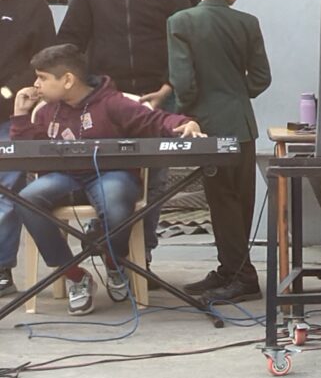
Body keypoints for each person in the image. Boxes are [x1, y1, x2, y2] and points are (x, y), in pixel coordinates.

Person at [7, 42, 204, 314]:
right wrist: (20, 115)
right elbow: (26, 153)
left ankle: (114, 262)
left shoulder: (113, 103)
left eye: (42, 77)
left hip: (111, 175)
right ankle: (75, 275)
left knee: (114, 197)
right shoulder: (45, 110)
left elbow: (155, 120)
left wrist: (183, 123)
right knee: (27, 198)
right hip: (65, 178)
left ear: (67, 80)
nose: (35, 85)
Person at [164, 0, 271, 302]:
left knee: (220, 202)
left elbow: (183, 81)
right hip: (241, 123)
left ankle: (238, 274)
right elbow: (261, 78)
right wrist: (237, 92)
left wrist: (186, 113)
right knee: (239, 202)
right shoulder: (248, 22)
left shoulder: (181, 21)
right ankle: (234, 271)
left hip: (206, 125)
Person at [0, 0, 60, 299]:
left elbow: (42, 59)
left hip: (11, 113)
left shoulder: (33, 4)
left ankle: (1, 269)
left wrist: (7, 91)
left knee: (7, 192)